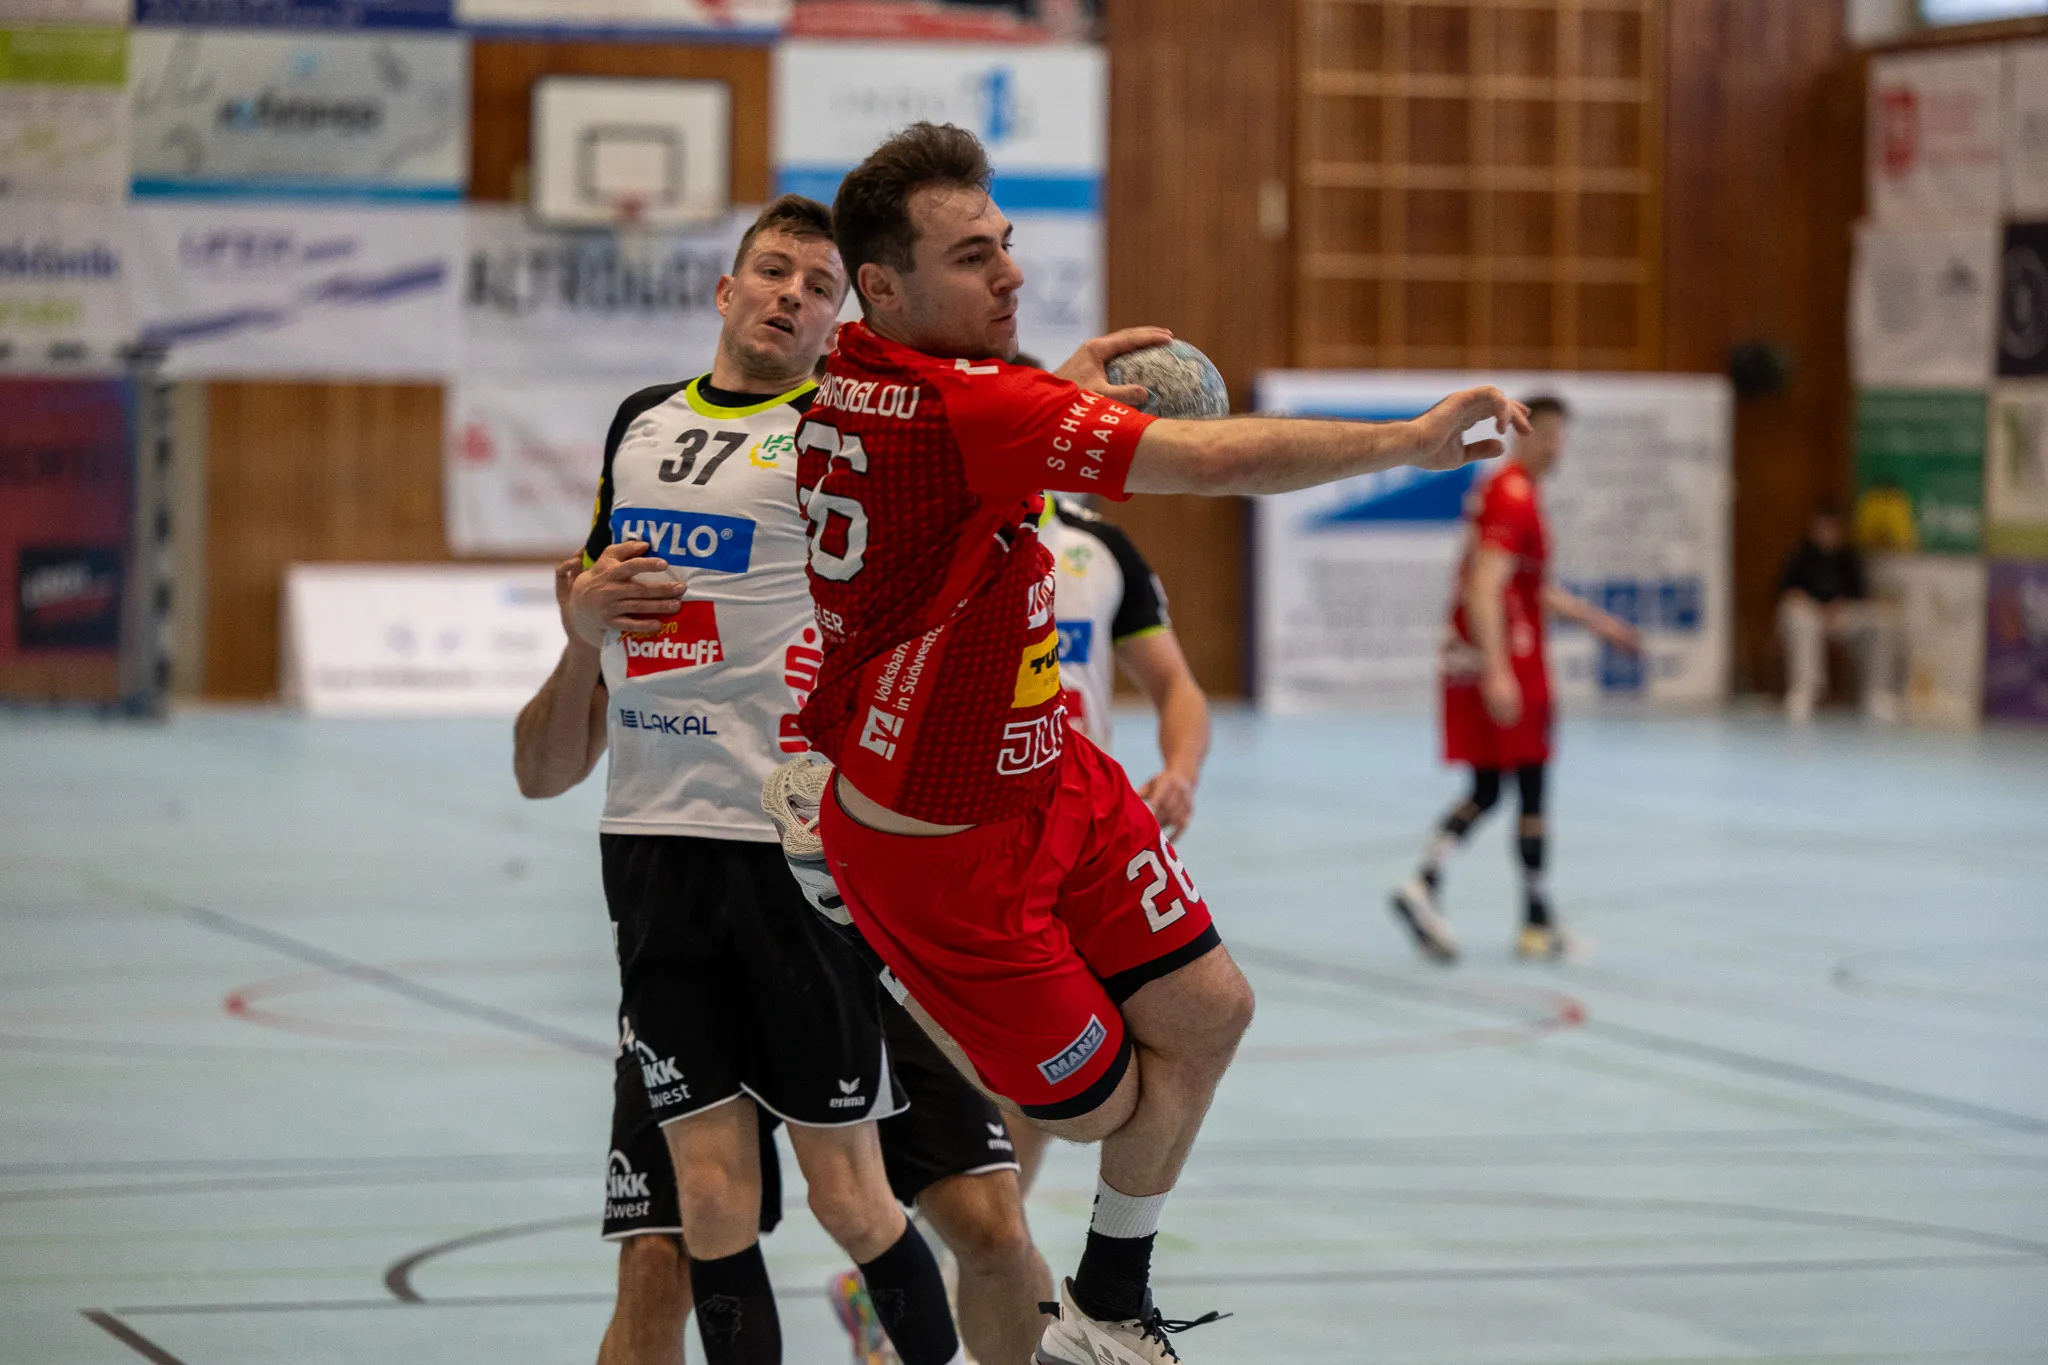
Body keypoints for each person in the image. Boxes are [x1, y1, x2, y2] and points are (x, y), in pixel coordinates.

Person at [776, 121, 1529, 1365]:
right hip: (940, 849)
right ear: (884, 285)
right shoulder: (967, 412)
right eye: (972, 259)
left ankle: (1107, 1310)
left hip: (1051, 772)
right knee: (1098, 1107)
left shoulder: (872, 372)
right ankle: (898, 966)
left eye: (1006, 243)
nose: (1009, 274)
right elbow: (1204, 458)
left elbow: (967, 439)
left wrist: (1046, 390)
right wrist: (1405, 440)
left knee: (1213, 1011)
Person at [513, 195, 1049, 1365]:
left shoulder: (858, 437)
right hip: (651, 838)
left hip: (794, 850)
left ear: (838, 319)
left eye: (817, 286)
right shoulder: (638, 424)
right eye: (771, 272)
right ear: (725, 289)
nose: (790, 296)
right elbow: (602, 621)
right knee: (703, 1204)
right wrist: (584, 630)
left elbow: (994, 429)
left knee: (852, 1199)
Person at [1387, 396, 1640, 966]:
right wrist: (1499, 672)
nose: (1558, 449)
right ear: (1529, 435)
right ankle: (1518, 913)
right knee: (1525, 786)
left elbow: (1523, 585)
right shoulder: (1514, 496)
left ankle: (1505, 909)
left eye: (1562, 438)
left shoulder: (1512, 496)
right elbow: (1484, 585)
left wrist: (1598, 623)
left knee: (1499, 788)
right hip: (1507, 656)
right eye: (1551, 436)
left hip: (1497, 651)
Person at [1777, 506, 1900, 724]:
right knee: (1797, 615)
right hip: (1810, 615)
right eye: (1822, 528)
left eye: (1832, 529)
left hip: (1842, 617)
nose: (1827, 534)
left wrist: (1841, 606)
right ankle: (1806, 690)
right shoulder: (1800, 555)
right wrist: (1813, 605)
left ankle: (1878, 693)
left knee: (1882, 620)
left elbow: (1861, 595)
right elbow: (1787, 592)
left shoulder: (1850, 557)